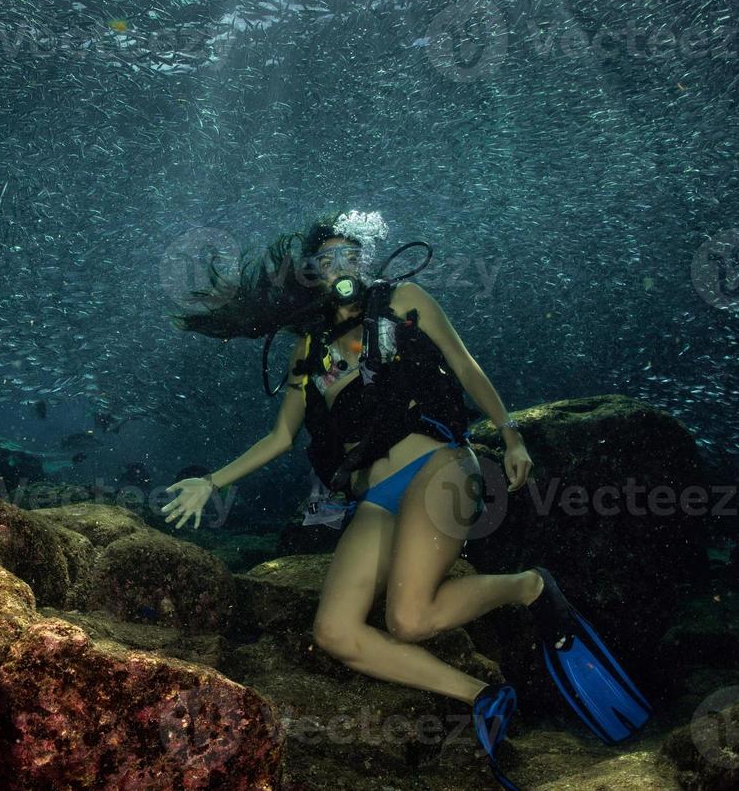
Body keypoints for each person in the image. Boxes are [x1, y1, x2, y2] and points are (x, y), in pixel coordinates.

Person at [161, 208, 647, 790]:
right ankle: (486, 696)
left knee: (410, 619)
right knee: (336, 634)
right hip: (375, 500)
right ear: (310, 272)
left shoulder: (403, 301)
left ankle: (529, 587)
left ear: (361, 260)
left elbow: (465, 365)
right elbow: (282, 437)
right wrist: (211, 481)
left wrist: (511, 435)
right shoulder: (306, 352)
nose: (340, 266)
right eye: (327, 259)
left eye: (350, 255)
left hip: (438, 467)